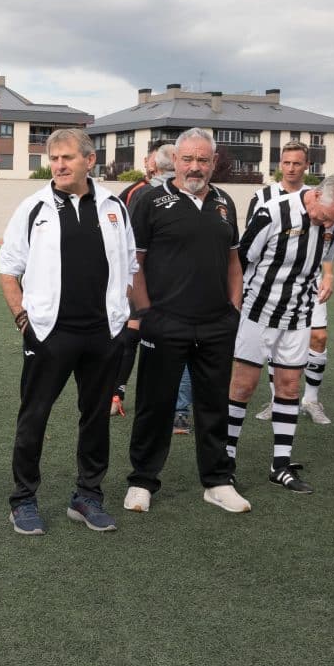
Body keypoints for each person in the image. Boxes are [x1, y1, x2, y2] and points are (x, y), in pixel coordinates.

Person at [0, 129, 135, 535]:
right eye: (54, 158)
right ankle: (23, 500)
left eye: (67, 158)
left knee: (95, 418)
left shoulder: (114, 206)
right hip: (49, 334)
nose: (59, 165)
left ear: (89, 161)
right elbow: (9, 269)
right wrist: (25, 321)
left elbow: (130, 266)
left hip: (102, 333)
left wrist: (120, 316)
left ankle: (87, 496)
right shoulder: (32, 207)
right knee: (34, 416)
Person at [123, 127, 249, 514]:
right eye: (188, 159)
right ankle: (143, 481)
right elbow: (134, 263)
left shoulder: (224, 201)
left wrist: (234, 307)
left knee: (214, 404)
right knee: (154, 405)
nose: (195, 166)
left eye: (203, 159)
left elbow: (233, 261)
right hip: (165, 323)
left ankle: (216, 481)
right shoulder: (148, 200)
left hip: (216, 324)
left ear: (213, 163)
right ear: (175, 161)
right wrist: (145, 313)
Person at [226, 174, 334, 494]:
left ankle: (281, 464)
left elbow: (325, 260)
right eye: (325, 216)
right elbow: (241, 259)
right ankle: (226, 459)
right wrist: (233, 305)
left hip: (299, 315)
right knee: (243, 386)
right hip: (257, 312)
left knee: (288, 387)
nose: (327, 225)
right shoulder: (272, 213)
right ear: (315, 195)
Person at [247, 141, 334, 425]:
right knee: (275, 341)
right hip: (271, 284)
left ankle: (311, 399)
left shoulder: (321, 197)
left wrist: (329, 274)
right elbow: (251, 244)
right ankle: (277, 399)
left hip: (309, 281)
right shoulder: (263, 196)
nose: (290, 168)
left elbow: (328, 240)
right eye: (286, 163)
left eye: (297, 163)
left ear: (306, 166)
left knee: (319, 337)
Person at [112, 143, 174, 418]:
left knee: (147, 336)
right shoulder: (140, 192)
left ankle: (166, 402)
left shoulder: (186, 196)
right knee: (132, 333)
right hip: (140, 276)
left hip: (168, 280)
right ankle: (116, 392)